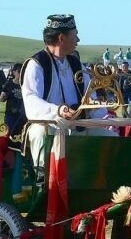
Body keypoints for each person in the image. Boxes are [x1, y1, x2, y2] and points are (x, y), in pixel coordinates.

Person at [21, 14, 114, 169]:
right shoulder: (36, 64)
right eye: (75, 36)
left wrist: (96, 107)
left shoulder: (75, 63)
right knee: (39, 133)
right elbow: (31, 100)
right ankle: (43, 182)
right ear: (62, 38)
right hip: (49, 124)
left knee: (109, 138)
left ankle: (102, 184)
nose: (78, 40)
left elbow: (89, 95)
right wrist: (58, 110)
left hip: (77, 125)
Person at [0, 63, 27, 141]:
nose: (21, 73)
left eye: (23, 71)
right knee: (9, 136)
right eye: (19, 71)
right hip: (10, 114)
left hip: (22, 116)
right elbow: (1, 99)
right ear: (14, 72)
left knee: (21, 137)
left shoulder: (26, 85)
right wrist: (4, 96)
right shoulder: (9, 83)